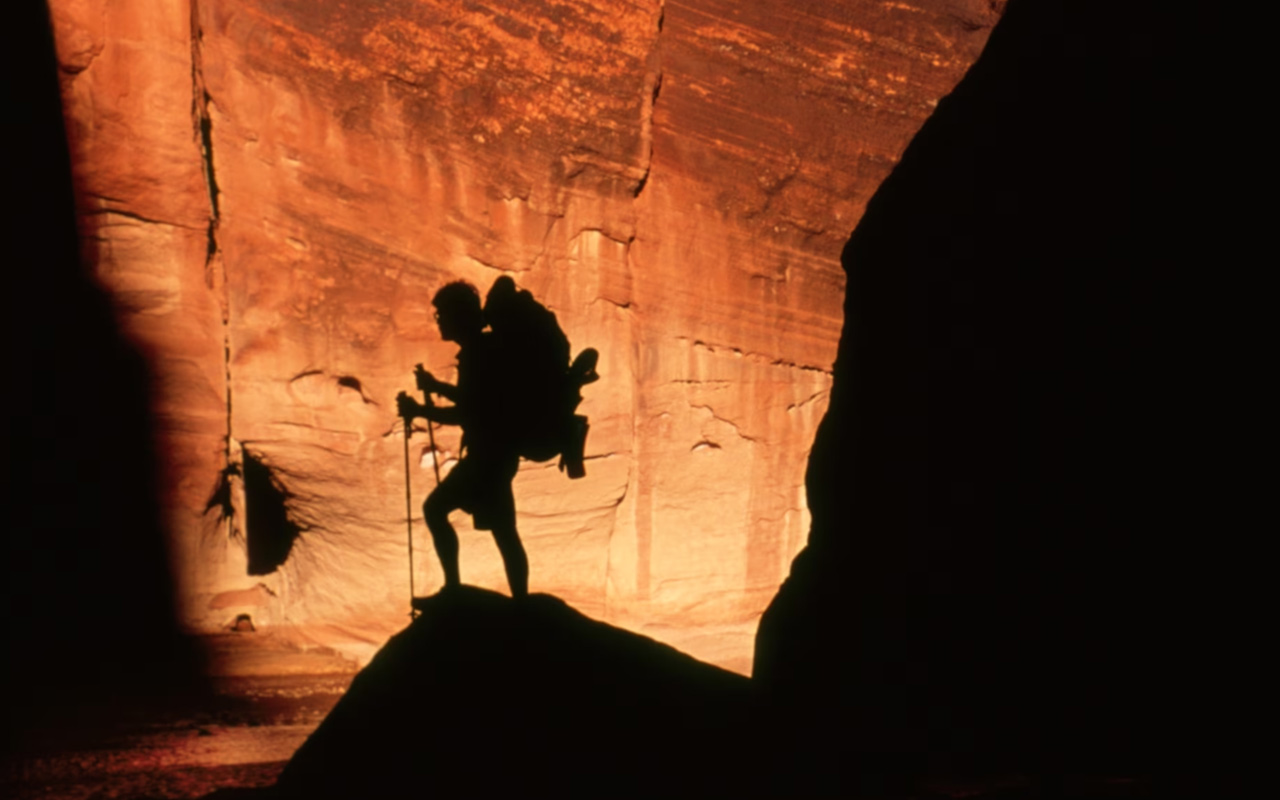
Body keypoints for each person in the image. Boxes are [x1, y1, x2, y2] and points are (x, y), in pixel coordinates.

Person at [397, 281, 528, 599]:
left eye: (442, 314)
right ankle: (521, 603)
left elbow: (467, 414)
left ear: (458, 317)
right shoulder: (483, 350)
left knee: (436, 510)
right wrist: (436, 387)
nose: (438, 320)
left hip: (488, 458)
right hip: (497, 454)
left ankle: (454, 590)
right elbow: (475, 401)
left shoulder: (477, 355)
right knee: (503, 530)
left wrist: (419, 409)